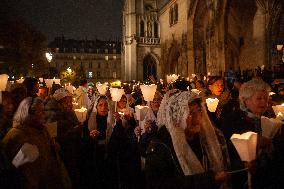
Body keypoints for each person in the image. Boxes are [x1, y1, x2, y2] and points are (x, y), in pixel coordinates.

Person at [145, 91, 229, 189]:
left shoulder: (205, 139)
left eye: (199, 111)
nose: (197, 118)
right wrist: (208, 180)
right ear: (176, 118)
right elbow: (161, 184)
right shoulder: (160, 147)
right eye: (190, 114)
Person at [1, 97, 68, 189]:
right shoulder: (17, 136)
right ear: (28, 114)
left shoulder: (42, 130)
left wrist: (52, 148)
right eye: (40, 112)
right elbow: (15, 169)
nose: (44, 115)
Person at [220, 79, 276, 189]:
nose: (264, 102)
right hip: (242, 179)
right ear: (245, 100)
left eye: (266, 98)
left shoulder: (269, 118)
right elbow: (226, 152)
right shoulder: (232, 120)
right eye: (259, 98)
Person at [44, 88, 82, 189]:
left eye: (70, 101)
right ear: (59, 103)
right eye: (67, 102)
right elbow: (52, 137)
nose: (70, 104)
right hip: (62, 152)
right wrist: (73, 130)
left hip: (71, 149)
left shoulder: (69, 111)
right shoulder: (52, 114)